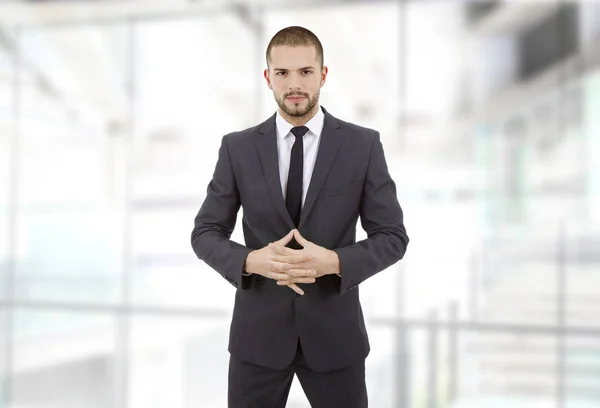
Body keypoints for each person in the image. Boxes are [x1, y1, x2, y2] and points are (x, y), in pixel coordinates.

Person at [191, 25, 409, 408]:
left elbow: (392, 236)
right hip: (256, 340)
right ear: (267, 77)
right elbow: (206, 232)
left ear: (323, 74)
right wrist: (250, 260)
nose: (294, 84)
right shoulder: (237, 148)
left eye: (305, 72)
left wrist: (336, 261)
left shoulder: (363, 146)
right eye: (282, 73)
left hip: (335, 339)